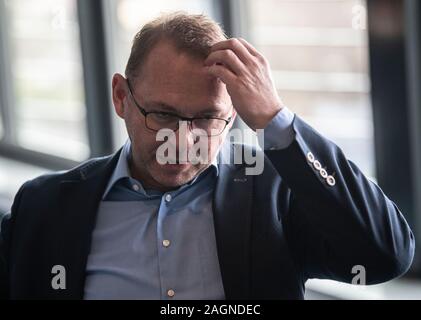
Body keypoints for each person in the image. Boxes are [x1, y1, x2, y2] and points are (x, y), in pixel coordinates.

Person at [0, 12, 414, 300]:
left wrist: (275, 120)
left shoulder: (274, 195)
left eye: (205, 119)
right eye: (162, 115)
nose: (182, 140)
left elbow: (384, 254)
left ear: (232, 113)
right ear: (121, 97)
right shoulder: (43, 207)